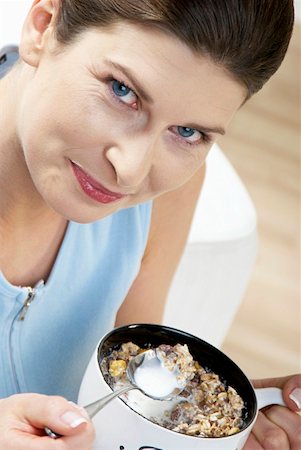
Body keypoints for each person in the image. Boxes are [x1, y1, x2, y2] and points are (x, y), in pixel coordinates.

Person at [0, 0, 299, 449]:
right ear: (44, 27)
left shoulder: (171, 193)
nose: (132, 170)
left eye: (187, 132)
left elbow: (123, 391)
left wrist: (195, 424)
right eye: (121, 90)